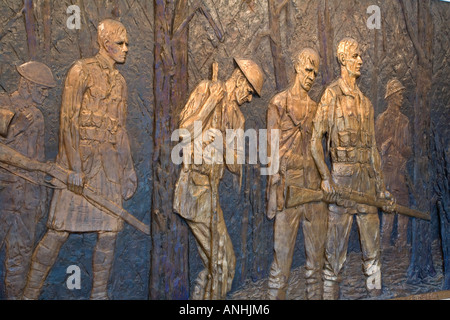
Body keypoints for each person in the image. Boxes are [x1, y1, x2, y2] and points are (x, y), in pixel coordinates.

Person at [23, 19, 137, 300]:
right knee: (58, 232)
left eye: (127, 44)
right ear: (105, 43)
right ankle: (29, 294)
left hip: (108, 167)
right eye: (120, 43)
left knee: (109, 233)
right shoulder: (80, 70)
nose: (125, 49)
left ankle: (99, 295)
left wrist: (128, 170)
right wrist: (73, 168)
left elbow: (120, 130)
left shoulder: (121, 83)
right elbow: (67, 120)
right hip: (79, 164)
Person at [173, 58, 264, 299]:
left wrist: (222, 143)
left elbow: (235, 165)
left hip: (211, 195)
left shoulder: (238, 119)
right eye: (250, 91)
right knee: (224, 264)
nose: (250, 98)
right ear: (239, 79)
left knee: (220, 265)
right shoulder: (206, 89)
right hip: (194, 188)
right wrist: (209, 105)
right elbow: (183, 134)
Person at [311, 37, 392, 299]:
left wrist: (380, 189)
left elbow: (373, 152)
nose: (360, 61)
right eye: (355, 56)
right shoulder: (331, 96)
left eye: (361, 56)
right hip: (341, 189)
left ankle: (375, 294)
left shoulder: (366, 104)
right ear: (343, 60)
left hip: (367, 189)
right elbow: (315, 142)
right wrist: (325, 178)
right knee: (333, 260)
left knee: (373, 258)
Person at [266, 48, 327, 300]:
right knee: (281, 269)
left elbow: (320, 148)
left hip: (313, 192)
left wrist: (325, 179)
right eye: (308, 70)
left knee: (316, 268)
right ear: (297, 67)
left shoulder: (317, 108)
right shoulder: (278, 103)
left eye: (315, 72)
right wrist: (273, 188)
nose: (311, 76)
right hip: (288, 192)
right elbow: (270, 151)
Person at [0, 61, 56, 299]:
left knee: (20, 261)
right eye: (41, 89)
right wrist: (21, 123)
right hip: (4, 198)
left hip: (28, 201)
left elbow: (39, 156)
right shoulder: (4, 103)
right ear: (26, 84)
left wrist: (41, 198)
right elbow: (4, 143)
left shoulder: (39, 116)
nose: (45, 95)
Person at [376, 79, 412, 249]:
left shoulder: (405, 121)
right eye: (399, 95)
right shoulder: (381, 119)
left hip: (400, 169)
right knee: (388, 205)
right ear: (390, 97)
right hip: (387, 168)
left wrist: (399, 146)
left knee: (403, 204)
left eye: (402, 94)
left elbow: (408, 150)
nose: (401, 98)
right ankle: (384, 243)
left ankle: (402, 241)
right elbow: (375, 146)